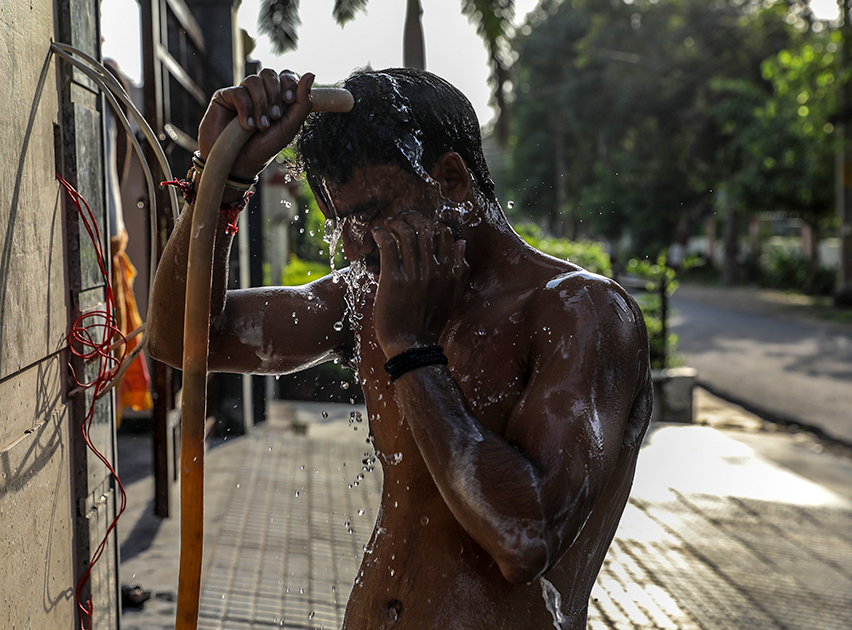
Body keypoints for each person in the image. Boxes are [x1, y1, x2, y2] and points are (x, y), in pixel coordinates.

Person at [146, 67, 652, 630]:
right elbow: (181, 339)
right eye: (341, 224)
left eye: (371, 213)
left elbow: (525, 538)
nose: (357, 244)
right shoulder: (370, 293)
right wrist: (221, 182)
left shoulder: (581, 313)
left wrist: (409, 347)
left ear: (453, 180)